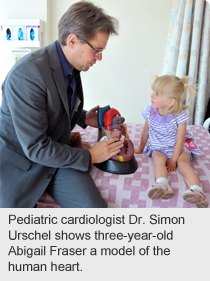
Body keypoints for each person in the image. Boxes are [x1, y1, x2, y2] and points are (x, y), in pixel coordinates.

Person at [0, 1, 123, 208]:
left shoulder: (70, 65)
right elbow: (36, 147)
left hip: (57, 154)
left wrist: (83, 117)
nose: (99, 57)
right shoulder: (27, 74)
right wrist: (90, 155)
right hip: (24, 162)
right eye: (96, 50)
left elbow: (53, 107)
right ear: (73, 40)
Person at [135, 75, 209, 208]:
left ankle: (197, 191)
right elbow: (145, 131)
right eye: (153, 92)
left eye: (157, 94)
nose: (152, 96)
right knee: (157, 157)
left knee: (183, 163)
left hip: (179, 148)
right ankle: (163, 185)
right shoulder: (150, 111)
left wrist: (173, 160)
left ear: (170, 102)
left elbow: (180, 140)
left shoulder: (180, 117)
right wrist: (140, 149)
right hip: (160, 147)